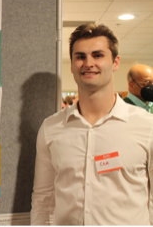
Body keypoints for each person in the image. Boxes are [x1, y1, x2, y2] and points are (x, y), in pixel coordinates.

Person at [31, 23, 153, 225]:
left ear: (115, 62)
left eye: (98, 55)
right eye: (80, 57)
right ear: (71, 65)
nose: (88, 63)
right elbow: (43, 200)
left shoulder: (146, 127)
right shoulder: (51, 128)